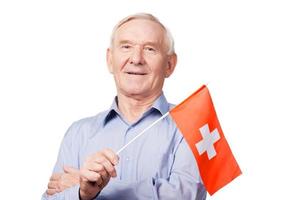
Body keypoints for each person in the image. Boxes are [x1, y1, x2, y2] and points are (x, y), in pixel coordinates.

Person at [42, 13, 207, 200]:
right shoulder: (78, 133)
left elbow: (183, 196)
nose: (136, 59)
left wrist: (96, 190)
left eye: (150, 49)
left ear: (169, 65)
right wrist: (81, 192)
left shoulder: (192, 126)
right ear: (110, 60)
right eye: (126, 47)